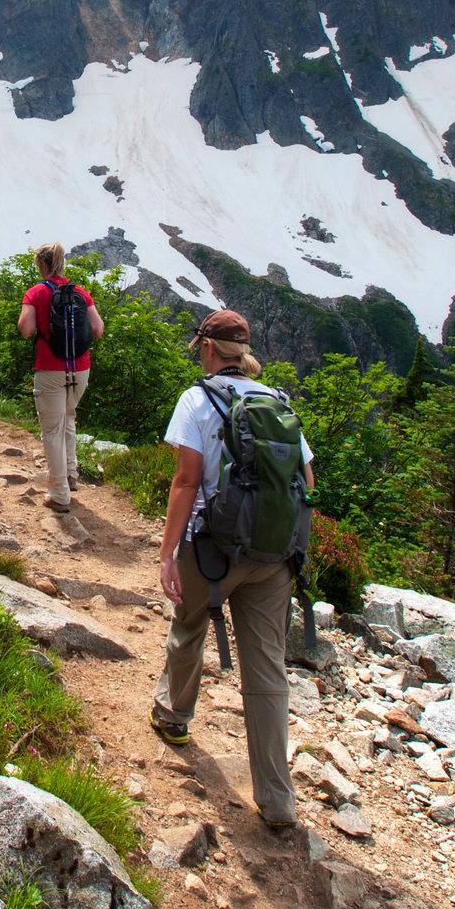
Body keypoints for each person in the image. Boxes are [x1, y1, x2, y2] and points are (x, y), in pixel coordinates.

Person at [149, 308, 315, 830]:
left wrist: (167, 551)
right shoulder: (277, 401)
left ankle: (174, 717)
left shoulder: (198, 399)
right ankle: (277, 798)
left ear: (207, 349)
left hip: (212, 547)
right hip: (274, 555)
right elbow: (306, 479)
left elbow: (185, 480)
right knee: (266, 668)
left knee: (189, 625)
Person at [16, 243, 104, 513]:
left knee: (51, 430)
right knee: (68, 418)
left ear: (41, 264)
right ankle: (71, 474)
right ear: (62, 263)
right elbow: (98, 330)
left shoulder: (36, 292)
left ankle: (59, 493)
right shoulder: (80, 292)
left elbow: (26, 330)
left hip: (50, 367)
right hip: (80, 368)